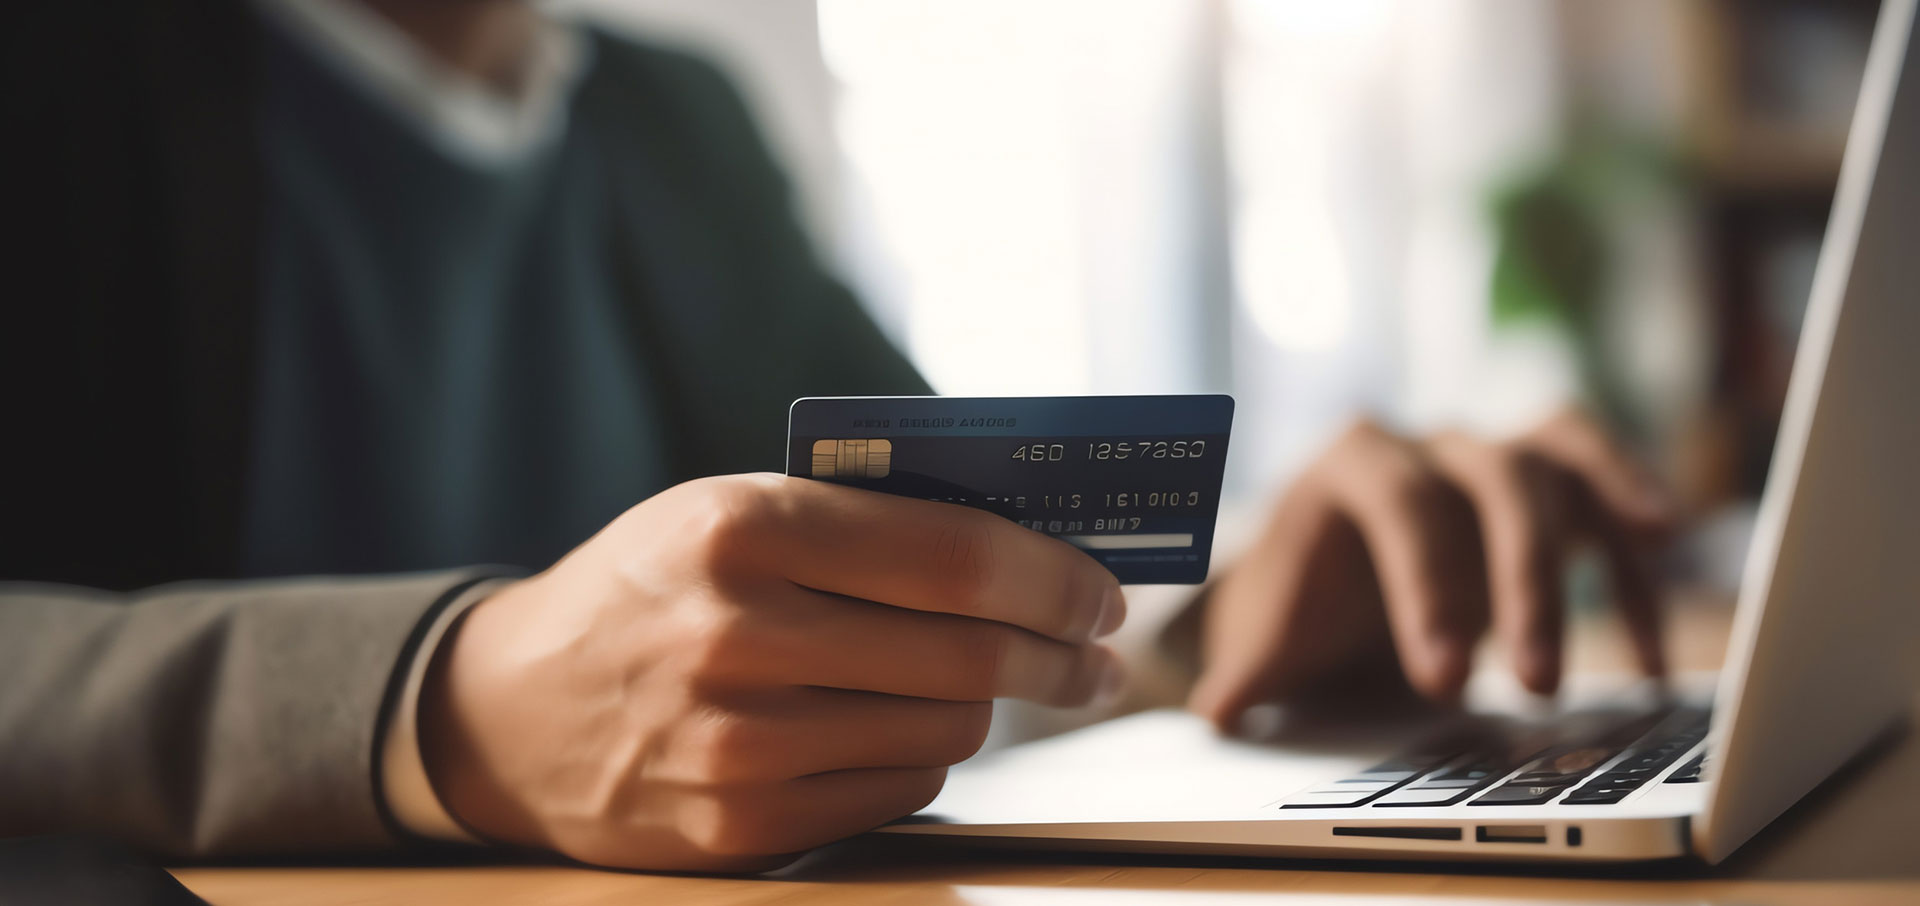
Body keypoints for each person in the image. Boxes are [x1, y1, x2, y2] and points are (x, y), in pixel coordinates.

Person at [0, 0, 1671, 873]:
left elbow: (923, 566)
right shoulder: (55, 76)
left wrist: (1217, 620)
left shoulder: (671, 127)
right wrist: (442, 704)